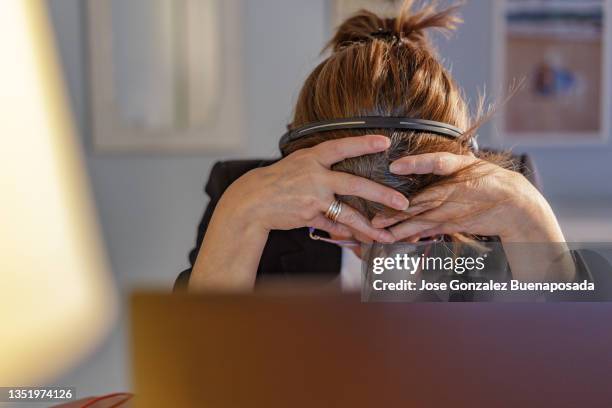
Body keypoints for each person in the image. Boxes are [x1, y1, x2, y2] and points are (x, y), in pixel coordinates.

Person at [175, 0, 584, 294]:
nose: (380, 257)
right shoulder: (243, 194)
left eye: (416, 232)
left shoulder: (505, 199)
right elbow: (189, 380)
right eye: (344, 227)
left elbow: (573, 377)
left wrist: (531, 222)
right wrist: (239, 217)